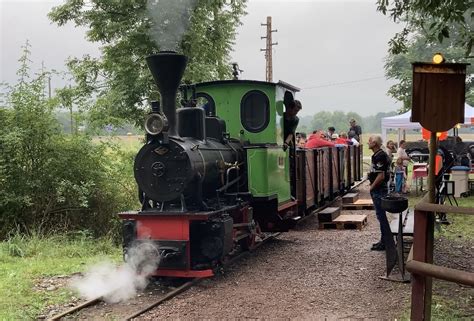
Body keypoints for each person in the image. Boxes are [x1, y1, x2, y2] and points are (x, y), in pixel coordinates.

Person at [368, 135, 391, 251]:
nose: (368, 143)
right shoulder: (378, 155)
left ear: (375, 143)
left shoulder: (380, 156)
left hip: (379, 189)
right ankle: (384, 240)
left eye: (370, 141)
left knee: (381, 216)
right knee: (380, 216)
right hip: (379, 189)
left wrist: (371, 187)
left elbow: (381, 176)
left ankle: (387, 242)